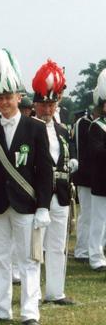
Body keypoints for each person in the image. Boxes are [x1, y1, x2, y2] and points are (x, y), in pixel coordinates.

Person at [0, 48, 53, 325]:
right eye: (0, 98)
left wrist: (44, 205)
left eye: (9, 98)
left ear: (18, 97)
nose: (5, 103)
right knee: (0, 258)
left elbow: (45, 171)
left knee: (29, 259)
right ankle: (1, 309)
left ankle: (30, 312)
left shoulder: (35, 128)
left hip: (26, 205)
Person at [31, 60, 76, 305]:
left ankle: (55, 291)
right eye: (43, 104)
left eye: (51, 104)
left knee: (58, 245)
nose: (47, 109)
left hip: (60, 193)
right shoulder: (28, 129)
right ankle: (34, 293)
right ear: (35, 104)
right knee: (37, 247)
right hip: (39, 195)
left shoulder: (62, 129)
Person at [87, 69, 106, 271]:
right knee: (98, 221)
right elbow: (97, 152)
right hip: (101, 180)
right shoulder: (96, 126)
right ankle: (95, 257)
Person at [71, 107, 94, 262]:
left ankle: (93, 247)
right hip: (86, 176)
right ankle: (82, 250)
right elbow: (80, 149)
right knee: (86, 214)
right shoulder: (83, 123)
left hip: (98, 176)